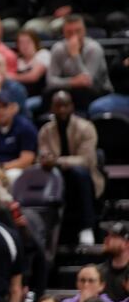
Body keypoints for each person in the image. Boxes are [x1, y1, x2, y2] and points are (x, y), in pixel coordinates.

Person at [38, 90, 101, 245]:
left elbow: (86, 160)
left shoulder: (86, 127)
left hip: (85, 178)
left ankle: (87, 227)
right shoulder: (45, 131)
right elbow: (43, 155)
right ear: (51, 108)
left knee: (79, 172)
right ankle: (45, 229)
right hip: (56, 177)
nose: (62, 110)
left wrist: (58, 161)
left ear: (72, 106)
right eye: (58, 106)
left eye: (65, 106)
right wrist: (46, 161)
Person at [46, 15, 113, 111]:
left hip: (99, 90)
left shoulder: (94, 48)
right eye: (69, 32)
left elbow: (87, 82)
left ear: (84, 31)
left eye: (78, 31)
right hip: (71, 89)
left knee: (82, 92)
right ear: (63, 33)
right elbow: (50, 81)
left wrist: (75, 55)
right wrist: (72, 82)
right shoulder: (58, 49)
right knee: (48, 94)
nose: (74, 36)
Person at [14, 29, 50, 102]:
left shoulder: (43, 54)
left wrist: (13, 77)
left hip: (39, 97)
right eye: (21, 43)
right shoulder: (17, 61)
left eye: (28, 42)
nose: (25, 46)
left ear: (35, 42)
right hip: (20, 97)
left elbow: (34, 76)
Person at [99, 222, 129, 302]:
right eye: (107, 235)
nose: (107, 239)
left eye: (113, 236)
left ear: (126, 244)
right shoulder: (99, 272)